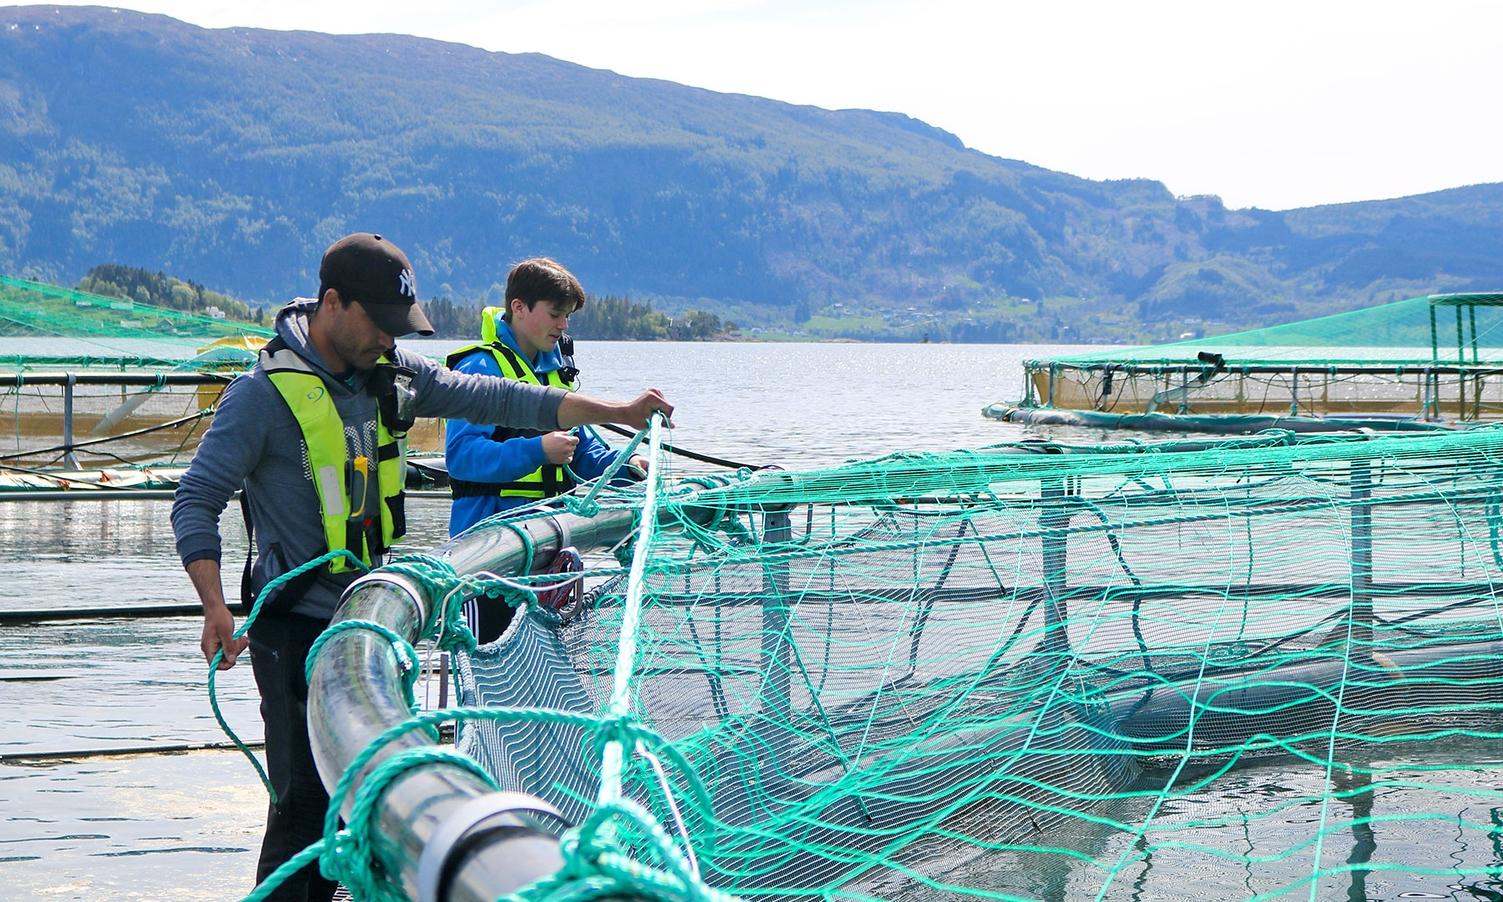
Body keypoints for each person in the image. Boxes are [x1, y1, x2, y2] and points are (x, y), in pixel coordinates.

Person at [169, 233, 672, 902]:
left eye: (396, 326)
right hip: (294, 633)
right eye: (378, 322)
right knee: (302, 811)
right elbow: (195, 501)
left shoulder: (396, 375)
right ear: (332, 303)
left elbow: (504, 400)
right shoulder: (259, 398)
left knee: (367, 801)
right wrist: (212, 604)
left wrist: (615, 412)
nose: (388, 338)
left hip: (374, 628)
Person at [443, 258, 646, 641]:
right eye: (555, 314)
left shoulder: (555, 375)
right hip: (485, 558)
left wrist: (630, 465)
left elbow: (586, 454)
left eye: (567, 316)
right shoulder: (479, 370)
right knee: (489, 672)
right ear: (518, 308)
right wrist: (537, 449)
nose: (563, 325)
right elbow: (463, 458)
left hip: (545, 554)